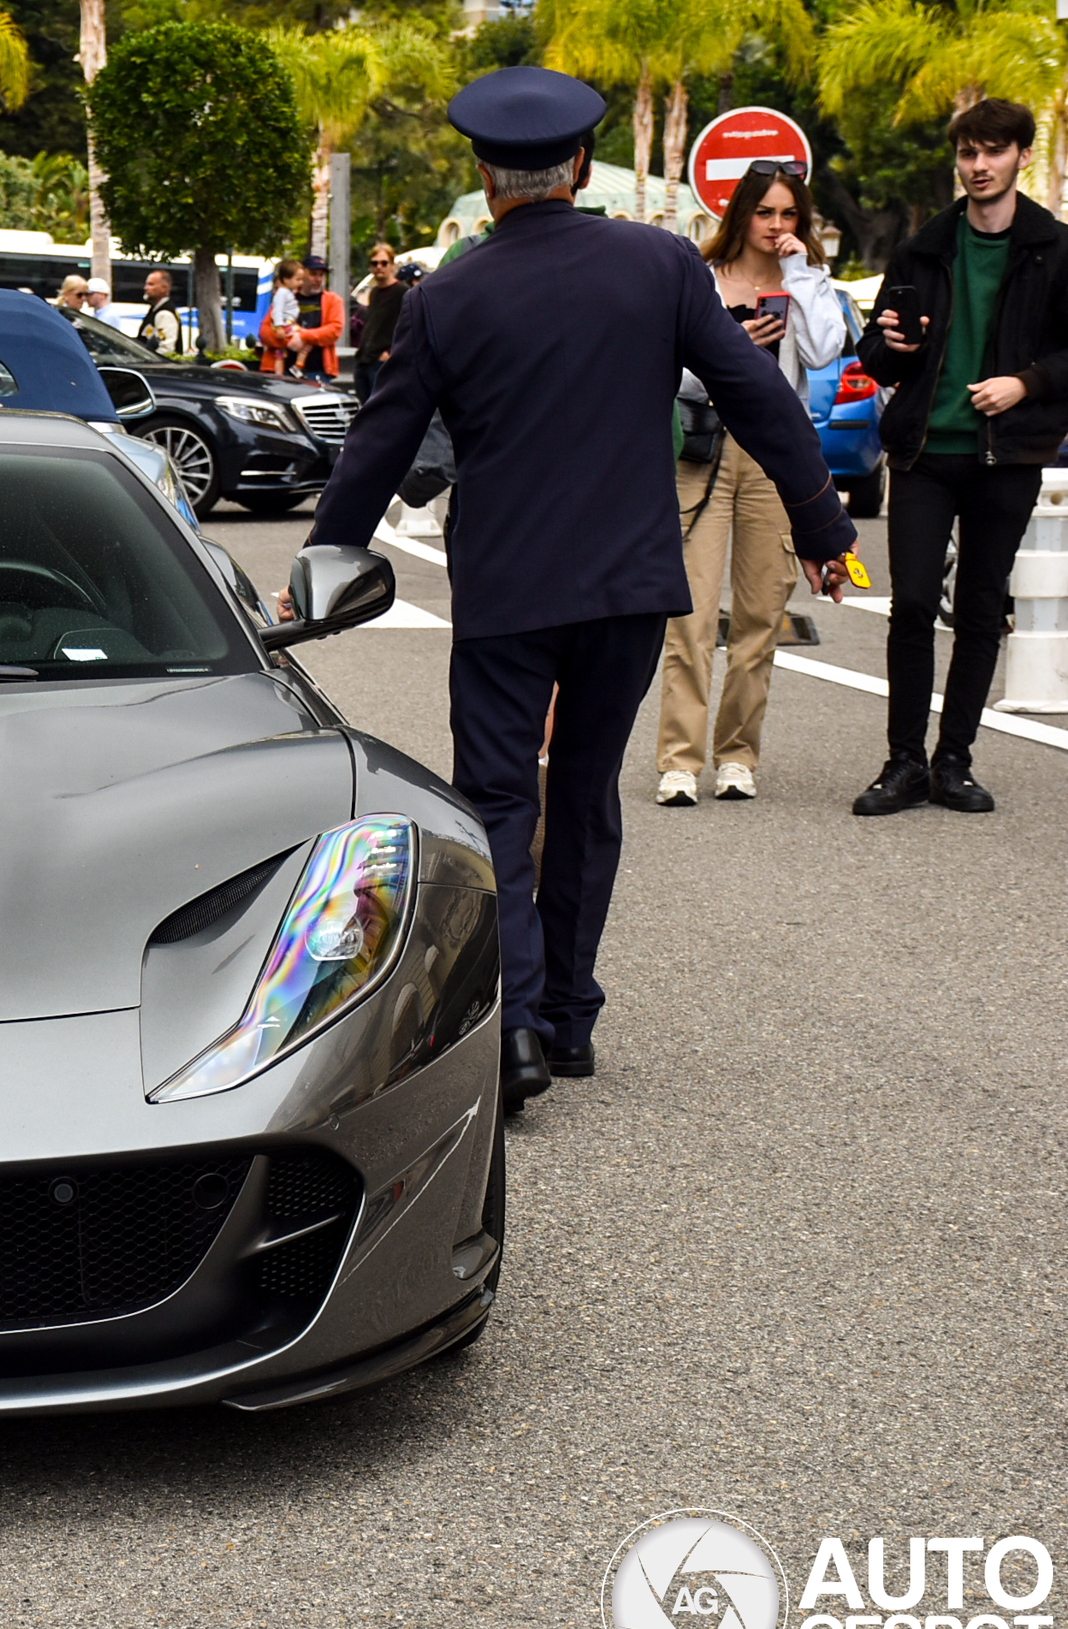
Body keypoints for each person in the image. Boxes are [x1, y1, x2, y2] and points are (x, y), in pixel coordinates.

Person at [305, 65, 854, 1113]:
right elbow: (754, 396)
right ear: (581, 167)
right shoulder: (656, 265)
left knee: (500, 798)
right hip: (625, 584)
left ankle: (508, 1030)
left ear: (483, 172)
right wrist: (823, 526)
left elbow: (380, 444)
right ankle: (568, 1017)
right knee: (588, 790)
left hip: (509, 586)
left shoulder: (447, 292)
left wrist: (324, 555)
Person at [851, 98, 1068, 817]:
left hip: (1006, 455)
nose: (978, 167)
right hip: (922, 449)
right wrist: (891, 345)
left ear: (1020, 158)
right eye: (968, 154)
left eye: (992, 153)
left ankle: (954, 761)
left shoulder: (1054, 247)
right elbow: (876, 356)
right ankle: (904, 762)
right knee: (911, 603)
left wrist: (1025, 383)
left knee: (979, 610)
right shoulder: (923, 246)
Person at [655, 161, 847, 808]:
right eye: (764, 212)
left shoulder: (807, 282)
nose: (775, 225)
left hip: (774, 454)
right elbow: (670, 372)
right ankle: (679, 760)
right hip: (704, 451)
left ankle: (737, 755)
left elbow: (826, 351)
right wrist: (729, 348)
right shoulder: (702, 281)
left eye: (788, 214)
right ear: (741, 214)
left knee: (762, 613)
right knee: (690, 612)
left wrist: (799, 275)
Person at [260, 255, 344, 379]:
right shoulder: (285, 297)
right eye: (313, 274)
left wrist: (303, 337)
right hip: (282, 370)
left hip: (317, 371)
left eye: (321, 275)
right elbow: (264, 332)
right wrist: (289, 341)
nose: (318, 279)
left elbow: (334, 330)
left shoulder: (333, 300)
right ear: (301, 274)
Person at [352, 243, 406, 402]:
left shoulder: (402, 292)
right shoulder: (374, 292)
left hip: (382, 361)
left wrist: (390, 352)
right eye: (374, 263)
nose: (379, 267)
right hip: (364, 358)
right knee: (364, 409)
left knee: (382, 410)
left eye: (384, 263)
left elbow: (408, 327)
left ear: (392, 265)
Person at [138, 268, 189, 356]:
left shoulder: (165, 313)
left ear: (164, 288)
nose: (146, 288)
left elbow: (165, 349)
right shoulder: (155, 309)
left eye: (151, 284)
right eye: (146, 284)